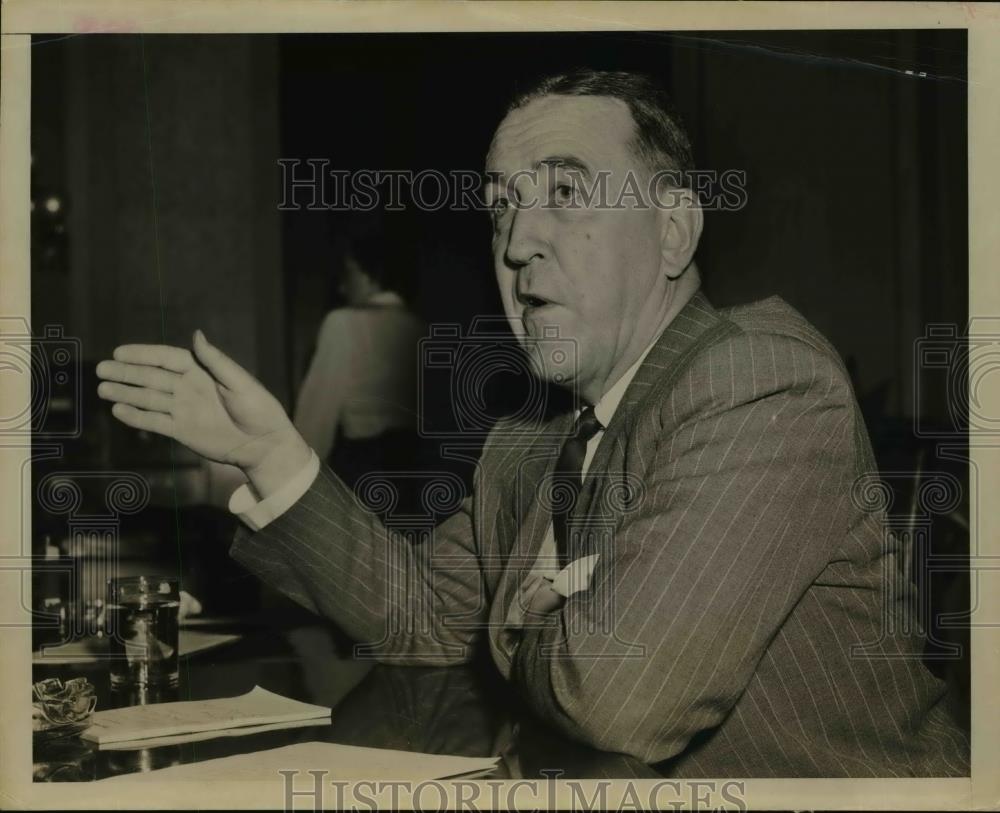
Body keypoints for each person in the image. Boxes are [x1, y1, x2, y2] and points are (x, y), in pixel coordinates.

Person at [95, 69, 969, 776]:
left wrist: (516, 613)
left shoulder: (760, 381)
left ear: (673, 233)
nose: (516, 242)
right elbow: (419, 621)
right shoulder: (533, 437)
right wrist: (272, 452)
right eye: (503, 204)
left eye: (564, 192)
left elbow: (625, 699)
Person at [292, 210, 426, 503]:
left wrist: (292, 484)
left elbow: (315, 419)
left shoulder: (343, 323)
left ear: (370, 274)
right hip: (420, 480)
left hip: (364, 475)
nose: (342, 286)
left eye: (348, 273)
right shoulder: (424, 330)